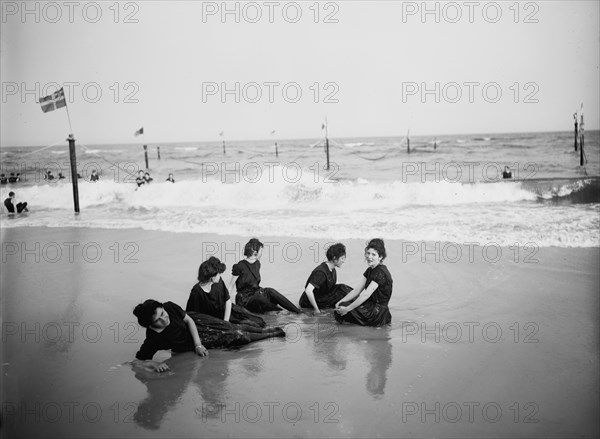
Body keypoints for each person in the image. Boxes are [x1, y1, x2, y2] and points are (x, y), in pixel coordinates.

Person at [132, 300, 285, 372]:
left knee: (232, 327)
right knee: (238, 336)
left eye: (162, 313)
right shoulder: (153, 339)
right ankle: (271, 334)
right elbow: (137, 361)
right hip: (190, 342)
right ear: (149, 325)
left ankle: (267, 331)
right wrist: (154, 364)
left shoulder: (169, 307)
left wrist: (198, 345)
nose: (164, 318)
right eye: (158, 320)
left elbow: (188, 320)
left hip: (197, 324)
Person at [186, 256, 266, 327]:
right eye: (218, 274)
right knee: (248, 326)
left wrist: (226, 322)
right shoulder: (196, 292)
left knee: (259, 322)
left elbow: (227, 300)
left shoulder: (218, 281)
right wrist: (223, 325)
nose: (220, 276)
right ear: (212, 277)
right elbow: (194, 317)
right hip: (213, 320)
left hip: (227, 312)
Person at [229, 238, 302, 314]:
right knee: (259, 298)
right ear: (254, 251)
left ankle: (297, 311)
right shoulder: (239, 266)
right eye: (261, 250)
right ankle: (281, 311)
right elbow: (231, 285)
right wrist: (227, 302)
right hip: (244, 299)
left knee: (270, 291)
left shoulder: (257, 263)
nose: (262, 253)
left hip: (256, 292)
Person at [334, 239, 393, 327]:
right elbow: (357, 290)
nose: (369, 257)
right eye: (368, 253)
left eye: (373, 254)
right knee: (341, 303)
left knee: (344, 309)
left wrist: (347, 309)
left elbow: (365, 295)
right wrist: (340, 301)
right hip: (370, 305)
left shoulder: (380, 272)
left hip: (377, 313)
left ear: (380, 257)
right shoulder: (370, 270)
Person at [299, 243, 353, 313]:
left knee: (343, 288)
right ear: (334, 258)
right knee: (341, 291)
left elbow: (333, 283)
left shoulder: (332, 268)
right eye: (342, 258)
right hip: (308, 303)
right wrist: (316, 310)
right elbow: (308, 291)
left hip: (322, 296)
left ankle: (359, 301)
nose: (344, 261)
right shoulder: (321, 272)